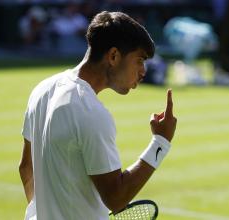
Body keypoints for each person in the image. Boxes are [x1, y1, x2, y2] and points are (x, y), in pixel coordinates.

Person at [19, 11, 177, 220]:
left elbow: (26, 168)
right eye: (139, 60)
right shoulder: (91, 112)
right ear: (113, 56)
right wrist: (161, 141)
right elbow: (116, 198)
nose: (143, 71)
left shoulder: (43, 89)